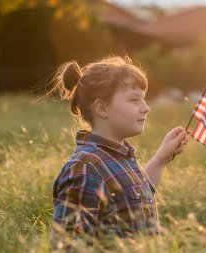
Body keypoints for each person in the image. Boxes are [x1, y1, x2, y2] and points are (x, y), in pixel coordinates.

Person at [48, 55, 190, 249]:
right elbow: (68, 246)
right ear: (102, 108)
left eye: (144, 99)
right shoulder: (85, 168)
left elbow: (136, 198)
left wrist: (161, 159)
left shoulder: (120, 156)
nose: (146, 108)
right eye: (134, 100)